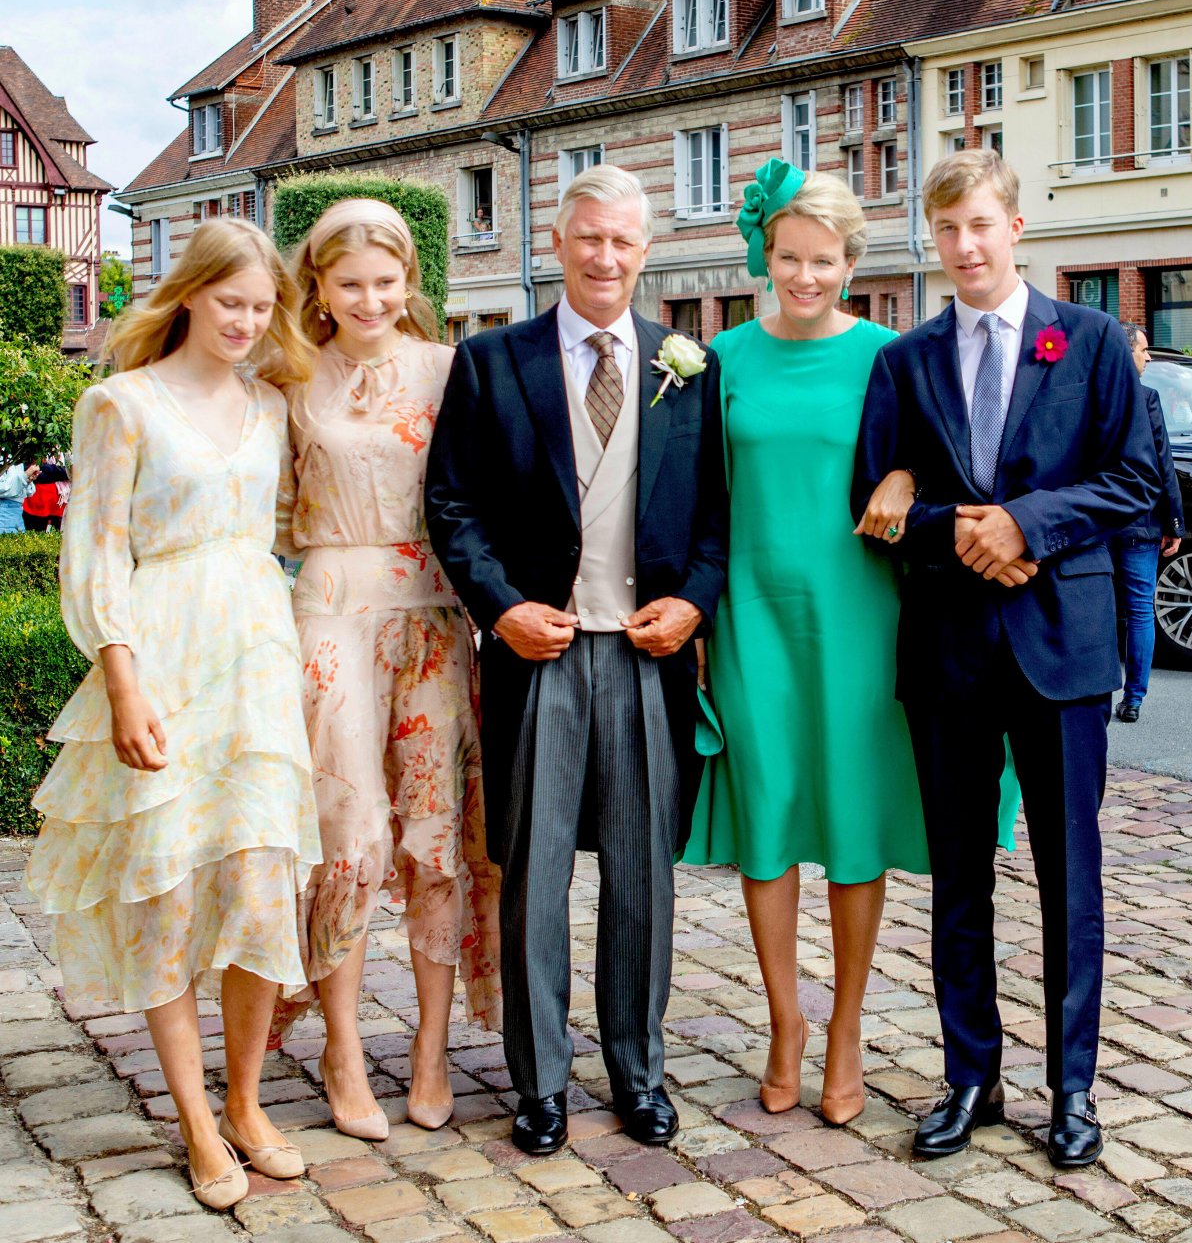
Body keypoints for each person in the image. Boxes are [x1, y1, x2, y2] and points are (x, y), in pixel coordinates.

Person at [683, 158, 1019, 1127]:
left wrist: (909, 477)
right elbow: (696, 493)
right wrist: (696, 613)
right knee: (771, 819)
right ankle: (786, 1021)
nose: (804, 277)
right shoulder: (722, 359)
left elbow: (944, 453)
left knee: (851, 820)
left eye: (823, 260)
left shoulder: (892, 355)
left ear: (849, 261)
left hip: (861, 615)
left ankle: (846, 1028)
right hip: (751, 614)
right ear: (766, 256)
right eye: (789, 258)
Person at [853, 150, 1157, 1168]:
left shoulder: (1095, 343)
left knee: (1072, 879)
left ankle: (1073, 1090)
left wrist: (1028, 523)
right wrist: (960, 530)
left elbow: (1137, 487)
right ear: (932, 239)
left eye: (980, 224)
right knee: (957, 878)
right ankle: (969, 1077)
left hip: (1063, 651)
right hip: (947, 652)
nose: (965, 247)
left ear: (1016, 227)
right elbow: (879, 510)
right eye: (947, 231)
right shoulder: (905, 360)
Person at [426, 164, 727, 1155]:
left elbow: (718, 518)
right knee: (535, 876)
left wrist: (693, 601)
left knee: (644, 876)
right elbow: (452, 506)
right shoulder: (491, 362)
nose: (606, 257)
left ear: (648, 252)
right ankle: (541, 1082)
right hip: (538, 656)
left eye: (624, 242)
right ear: (558, 243)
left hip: (646, 656)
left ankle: (638, 1075)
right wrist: (503, 609)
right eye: (588, 238)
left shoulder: (688, 366)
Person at [26, 219, 323, 1210]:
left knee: (256, 889)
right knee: (166, 891)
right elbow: (96, 552)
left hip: (256, 658)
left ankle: (244, 1103)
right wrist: (122, 680)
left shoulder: (271, 405)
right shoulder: (121, 403)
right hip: (163, 653)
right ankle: (195, 1121)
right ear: (188, 294)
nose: (245, 323)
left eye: (259, 307)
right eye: (228, 301)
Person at [270, 197, 501, 1140]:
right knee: (351, 832)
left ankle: (434, 1048)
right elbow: (266, 507)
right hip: (330, 609)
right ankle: (343, 1050)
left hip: (434, 615)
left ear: (410, 280)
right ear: (318, 285)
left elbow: (488, 495)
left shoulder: (451, 370)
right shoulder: (284, 375)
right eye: (350, 282)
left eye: (387, 279)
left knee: (436, 833)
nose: (371, 297)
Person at [1111, 323, 1185, 723]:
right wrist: (1174, 522)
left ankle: (1099, 694)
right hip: (1141, 523)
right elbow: (1163, 463)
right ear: (1127, 352)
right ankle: (1134, 698)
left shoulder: (1090, 396)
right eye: (1143, 350)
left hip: (1097, 524)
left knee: (1101, 609)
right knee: (1141, 610)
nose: (1148, 356)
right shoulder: (1146, 399)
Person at [22, 460, 70, 531]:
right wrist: (61, 474)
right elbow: (32, 472)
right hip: (37, 502)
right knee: (36, 535)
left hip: (61, 502)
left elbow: (73, 471)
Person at [0, 458, 37, 532]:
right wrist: (24, 476)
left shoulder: (16, 456)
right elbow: (2, 489)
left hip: (18, 513)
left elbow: (28, 492)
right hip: (4, 512)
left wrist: (28, 480)